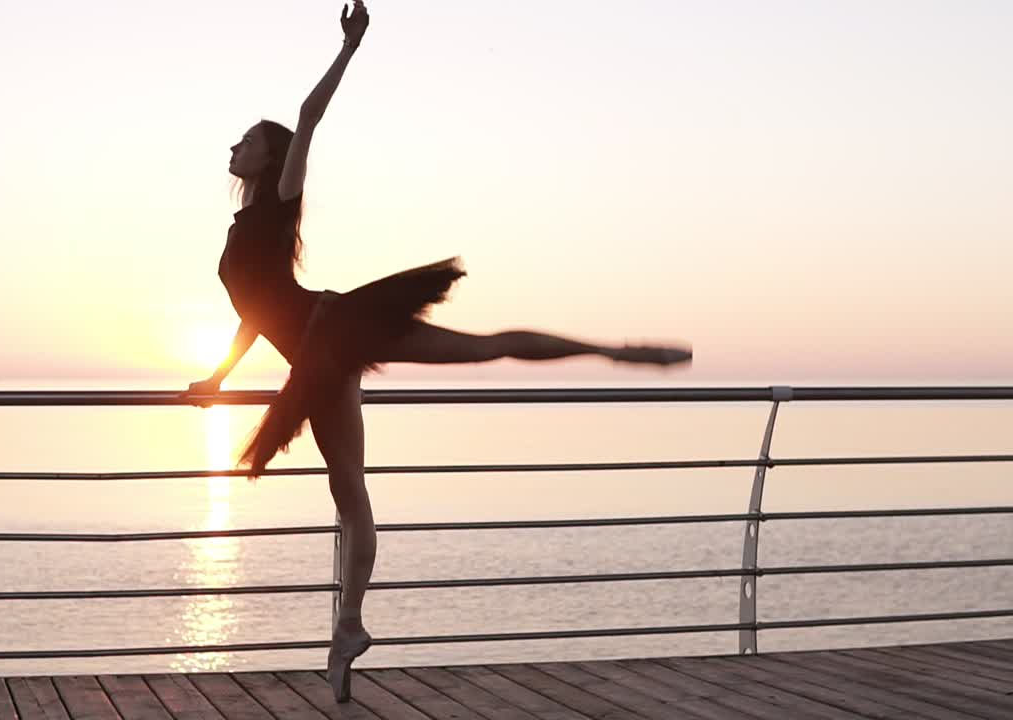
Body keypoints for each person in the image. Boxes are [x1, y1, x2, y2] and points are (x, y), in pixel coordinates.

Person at [183, 0, 691, 702]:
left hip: (339, 328)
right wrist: (216, 375)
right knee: (349, 494)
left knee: (474, 359)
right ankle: (349, 629)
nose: (231, 149)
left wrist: (350, 49)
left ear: (268, 156)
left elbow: (309, 117)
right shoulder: (244, 229)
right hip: (319, 357)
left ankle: (618, 352)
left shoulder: (278, 200)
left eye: (243, 141)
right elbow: (255, 313)